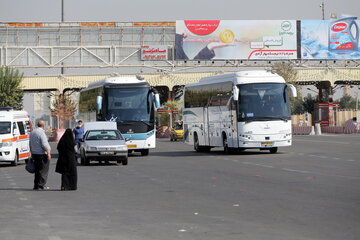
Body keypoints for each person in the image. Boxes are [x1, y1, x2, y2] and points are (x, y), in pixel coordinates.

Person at [29, 120, 51, 190]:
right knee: (44, 170)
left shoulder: (32, 132)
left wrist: (32, 152)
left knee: (37, 170)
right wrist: (48, 153)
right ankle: (41, 185)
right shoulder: (41, 133)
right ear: (43, 125)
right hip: (41, 154)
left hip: (35, 154)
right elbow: (44, 144)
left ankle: (36, 185)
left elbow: (30, 144)